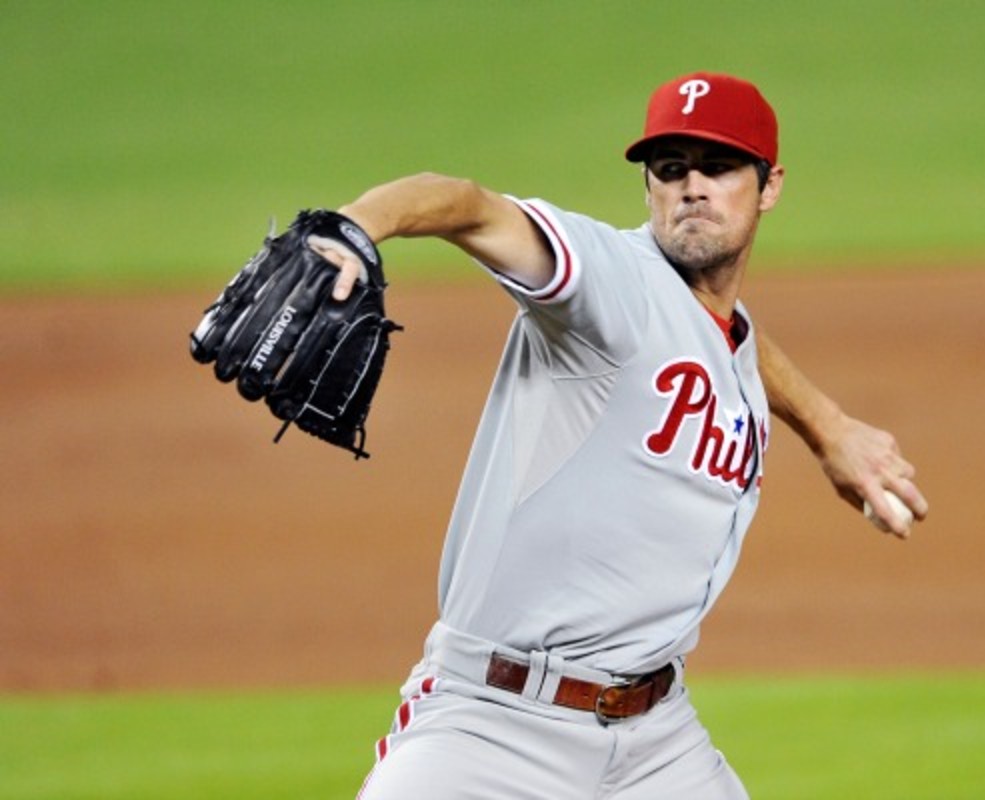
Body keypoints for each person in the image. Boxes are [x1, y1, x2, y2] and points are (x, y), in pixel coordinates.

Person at [315, 71, 928, 800]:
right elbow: (470, 207)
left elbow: (724, 335)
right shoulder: (607, 281)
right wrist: (357, 225)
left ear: (769, 186)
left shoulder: (720, 330)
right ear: (648, 187)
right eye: (670, 169)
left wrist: (829, 428)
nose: (691, 187)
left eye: (718, 167)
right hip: (494, 726)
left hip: (658, 741)